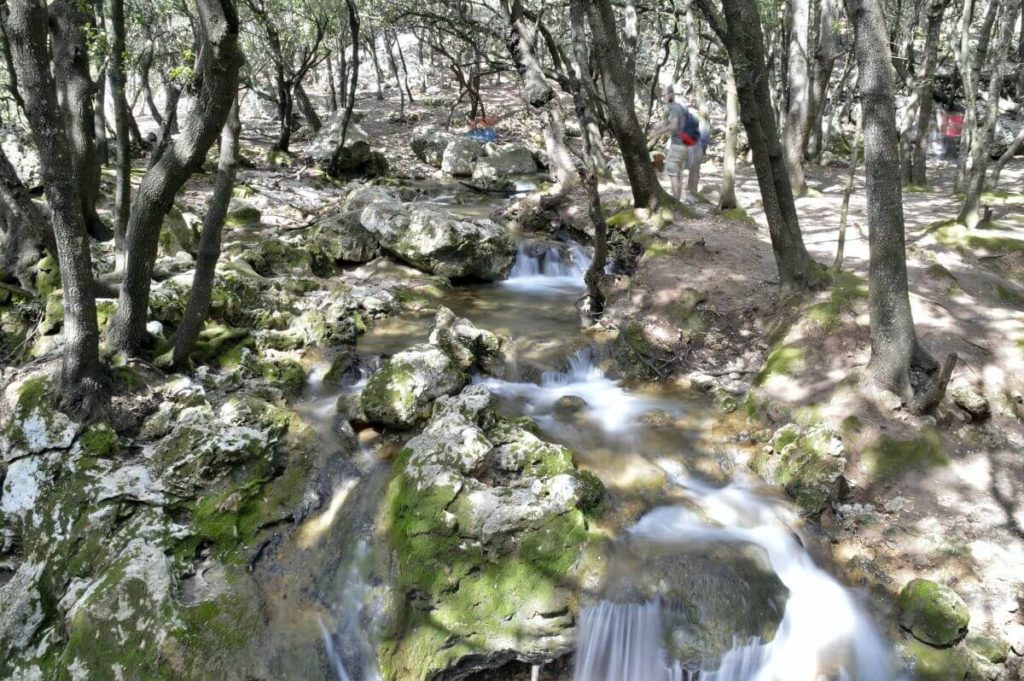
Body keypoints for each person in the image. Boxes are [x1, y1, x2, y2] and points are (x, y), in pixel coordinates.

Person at [651, 85, 709, 205]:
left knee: (681, 170)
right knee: (691, 170)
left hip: (687, 143)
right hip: (692, 143)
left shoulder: (678, 109)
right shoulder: (690, 112)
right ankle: (689, 196)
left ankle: (681, 198)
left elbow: (674, 127)